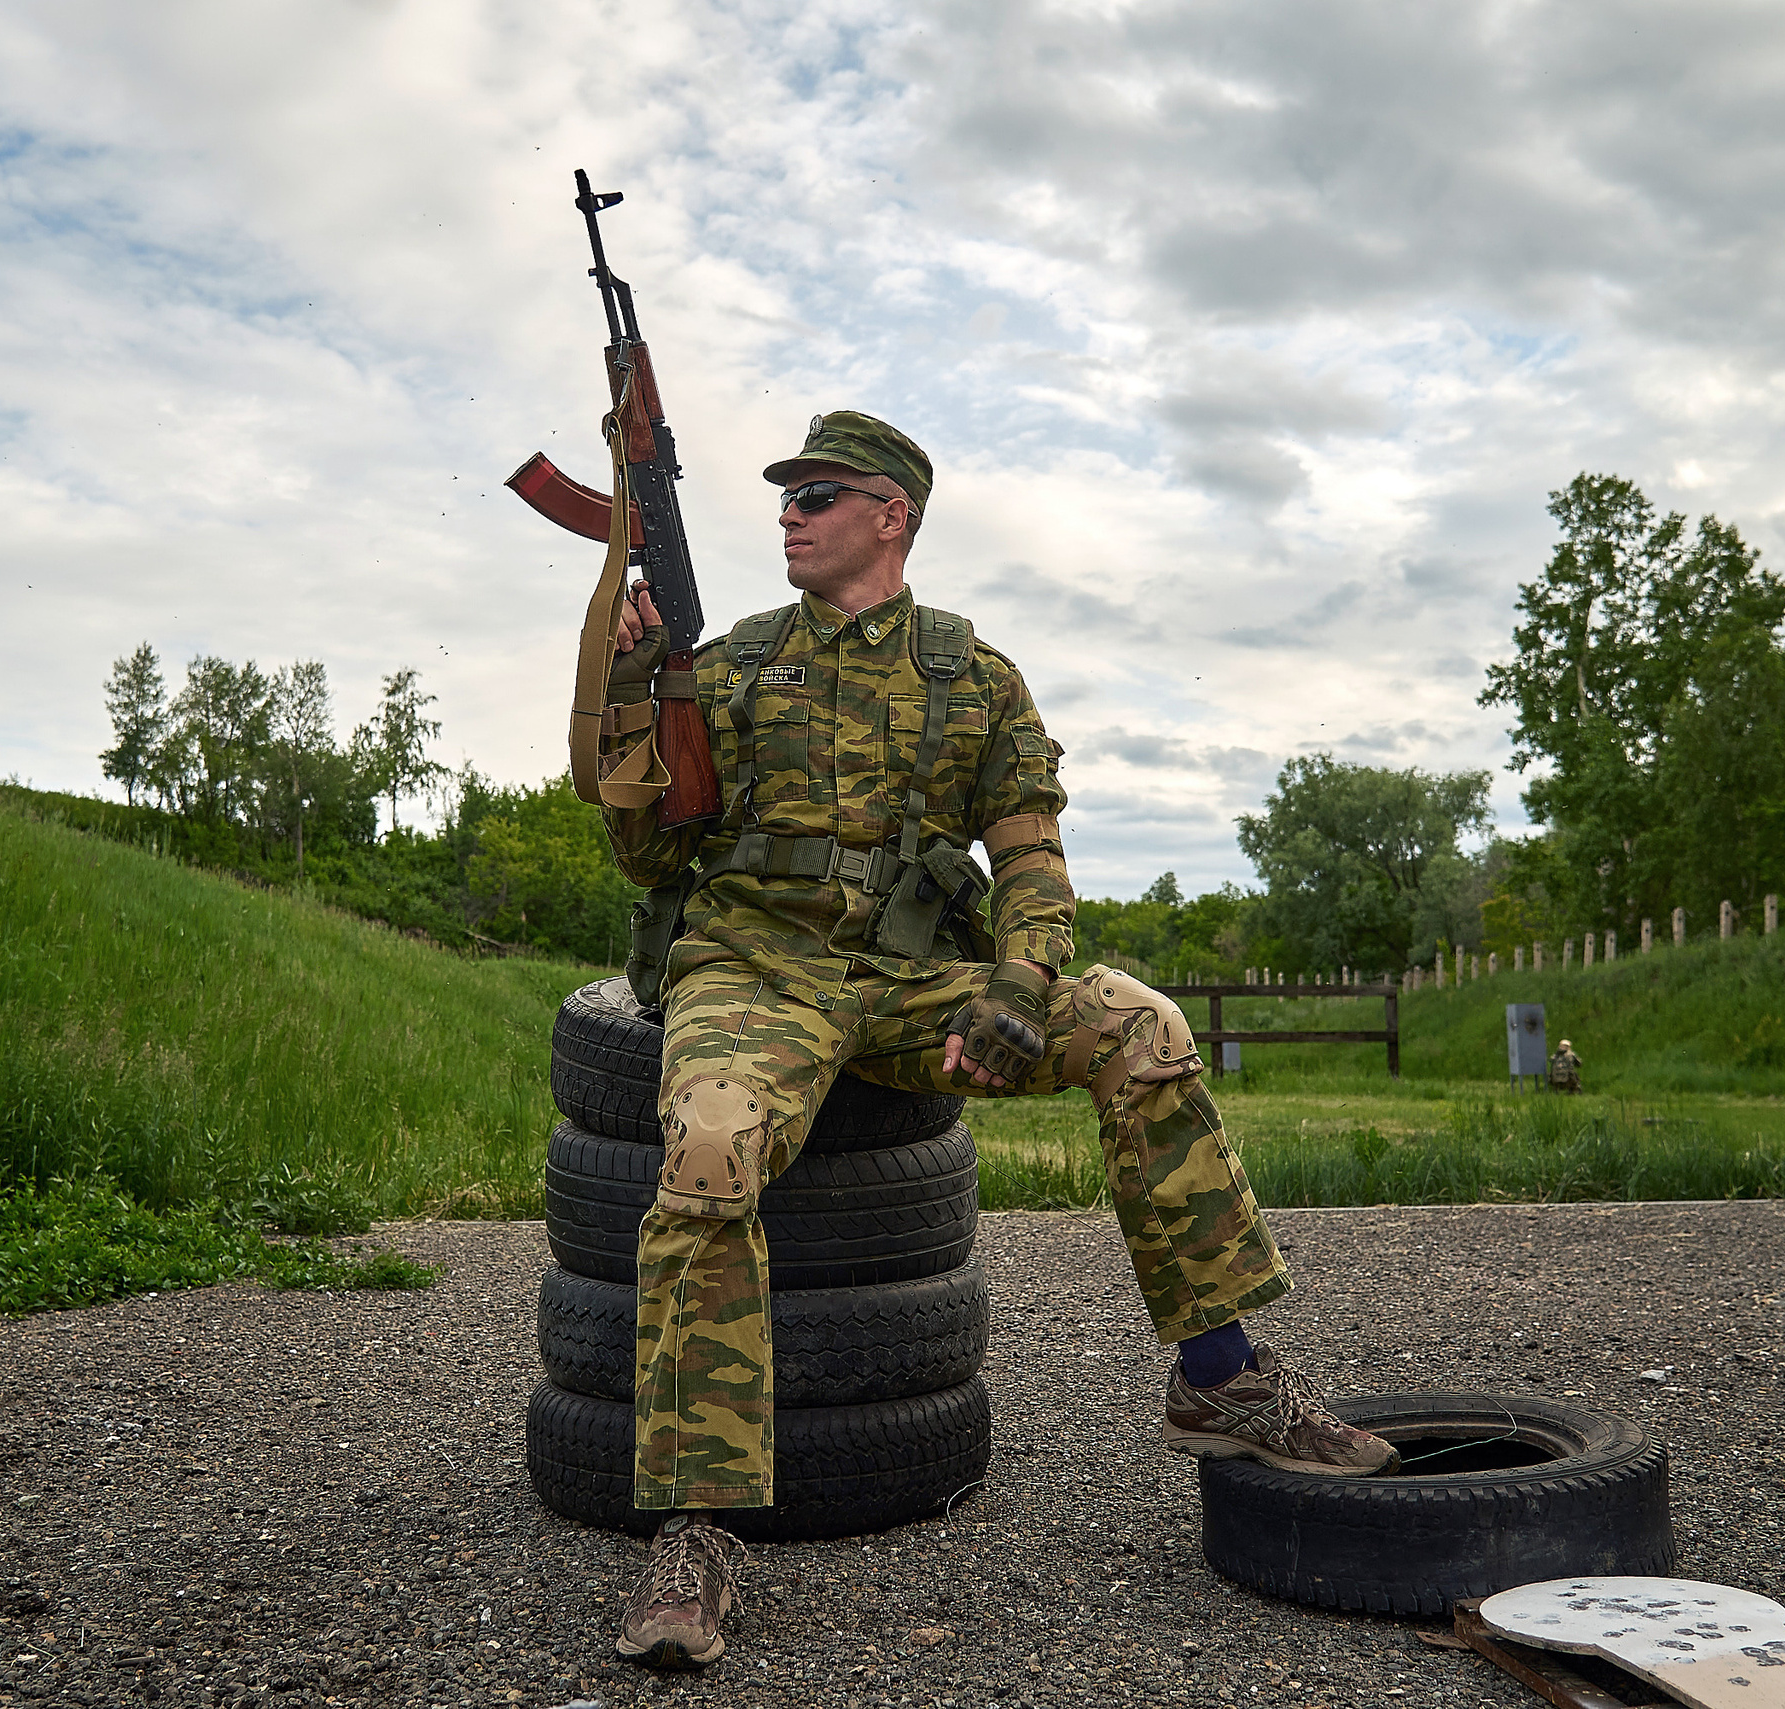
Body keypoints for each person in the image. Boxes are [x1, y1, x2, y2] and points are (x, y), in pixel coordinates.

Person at [594, 411, 1398, 1671]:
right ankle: (694, 1527)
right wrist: (632, 692)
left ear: (891, 516)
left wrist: (1021, 982)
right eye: (787, 494)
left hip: (918, 981)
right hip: (757, 971)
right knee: (707, 1148)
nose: (790, 511)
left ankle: (1221, 1375)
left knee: (1142, 1024)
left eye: (818, 493)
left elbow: (1029, 855)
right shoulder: (732, 660)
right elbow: (646, 853)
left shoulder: (973, 676)